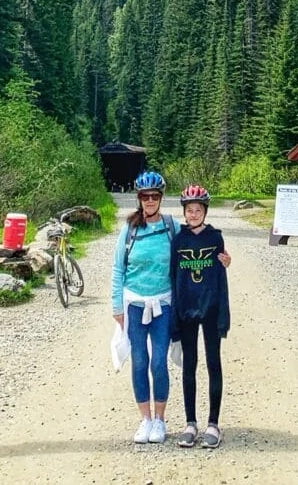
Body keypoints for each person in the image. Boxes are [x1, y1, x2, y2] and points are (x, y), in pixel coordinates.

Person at [111, 170, 178, 444]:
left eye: (154, 196)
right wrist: (117, 307)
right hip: (135, 304)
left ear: (161, 198)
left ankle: (160, 419)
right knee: (139, 361)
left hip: (163, 303)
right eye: (145, 196)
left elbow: (191, 251)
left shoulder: (172, 227)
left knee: (159, 361)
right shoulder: (129, 229)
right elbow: (118, 268)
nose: (150, 200)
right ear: (138, 199)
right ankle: (145, 420)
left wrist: (219, 256)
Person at [170, 184, 230, 449]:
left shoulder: (215, 238)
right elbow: (173, 278)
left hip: (210, 309)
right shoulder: (179, 240)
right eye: (189, 210)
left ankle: (214, 423)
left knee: (213, 364)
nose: (193, 214)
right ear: (184, 212)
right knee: (190, 366)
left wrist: (223, 315)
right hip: (186, 311)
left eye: (198, 210)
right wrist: (174, 317)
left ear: (205, 211)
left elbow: (222, 278)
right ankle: (190, 422)